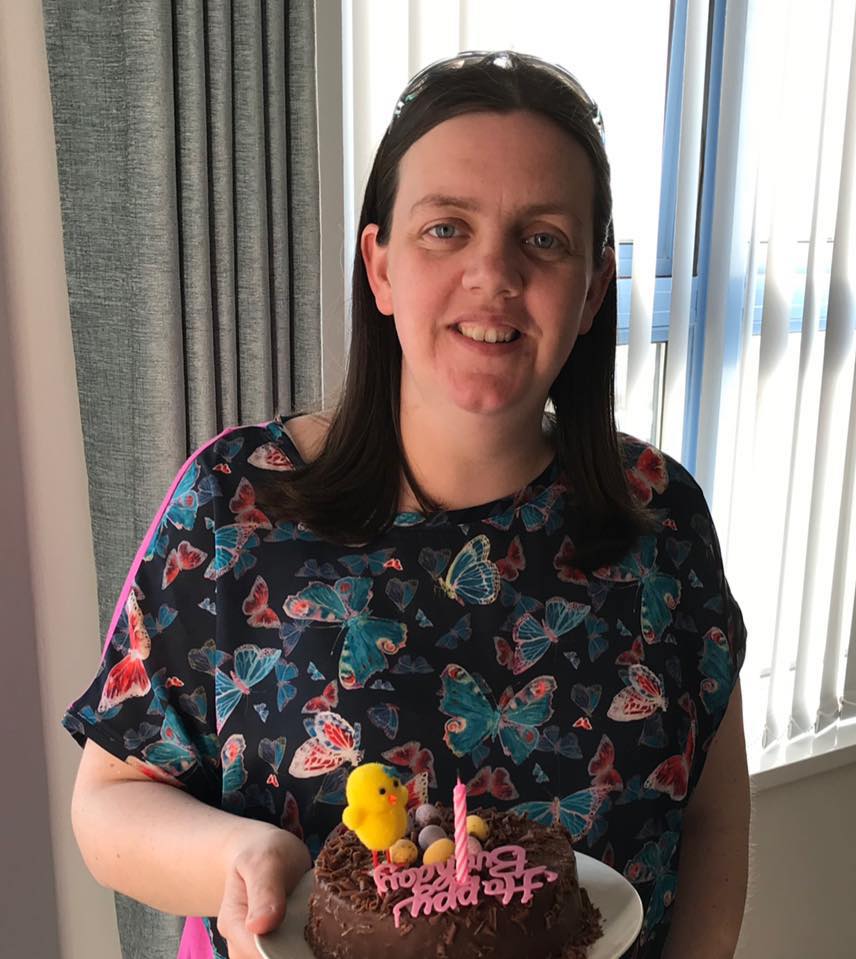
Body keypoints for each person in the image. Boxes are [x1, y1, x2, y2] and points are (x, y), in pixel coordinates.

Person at [66, 51, 749, 959]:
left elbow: (711, 820)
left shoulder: (660, 516)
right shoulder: (234, 506)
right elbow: (109, 803)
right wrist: (243, 854)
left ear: (591, 292)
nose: (493, 273)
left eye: (543, 238)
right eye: (445, 229)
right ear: (379, 267)